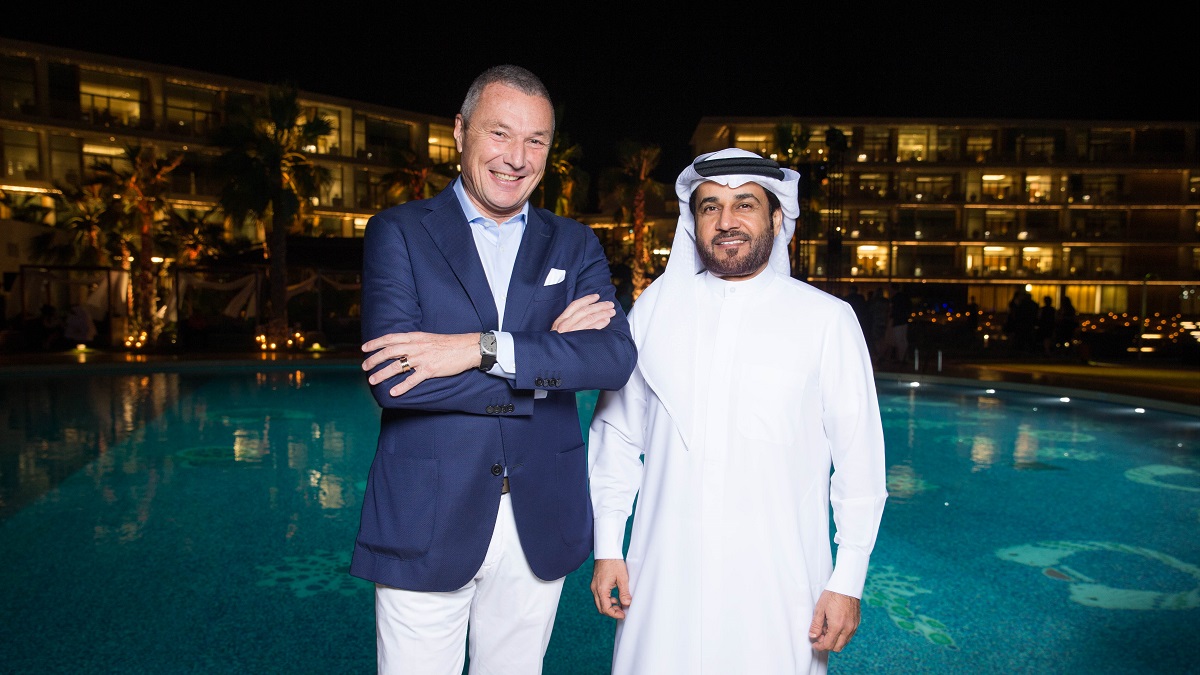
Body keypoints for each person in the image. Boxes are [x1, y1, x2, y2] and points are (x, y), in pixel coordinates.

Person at [349, 64, 637, 675]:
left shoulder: (575, 244)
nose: (516, 158)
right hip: (427, 516)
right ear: (461, 131)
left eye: (535, 140)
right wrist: (547, 355)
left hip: (541, 515)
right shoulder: (399, 232)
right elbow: (394, 379)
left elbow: (613, 359)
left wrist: (482, 348)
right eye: (499, 133)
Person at [587, 148, 888, 674]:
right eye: (711, 207)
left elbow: (859, 465)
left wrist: (847, 579)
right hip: (662, 584)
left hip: (777, 592)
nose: (726, 221)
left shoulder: (826, 320)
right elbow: (617, 437)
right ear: (694, 222)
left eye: (745, 205)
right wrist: (608, 545)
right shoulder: (654, 313)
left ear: (776, 217)